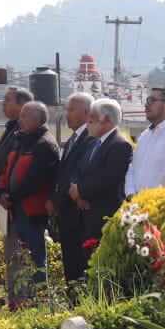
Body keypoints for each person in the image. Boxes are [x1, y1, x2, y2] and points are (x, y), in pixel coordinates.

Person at [0, 101, 59, 297]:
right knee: (19, 259)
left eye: (25, 116)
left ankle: (38, 300)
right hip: (16, 209)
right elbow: (8, 170)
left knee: (34, 258)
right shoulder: (21, 140)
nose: (20, 119)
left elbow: (36, 180)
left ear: (38, 120)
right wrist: (0, 193)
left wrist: (12, 196)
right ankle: (21, 300)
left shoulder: (44, 144)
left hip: (32, 211)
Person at [69, 98, 133, 256]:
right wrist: (76, 192)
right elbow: (78, 169)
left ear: (105, 120)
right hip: (86, 213)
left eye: (91, 119)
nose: (87, 123)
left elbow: (108, 179)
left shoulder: (119, 145)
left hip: (104, 215)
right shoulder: (93, 143)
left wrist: (81, 191)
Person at [50, 93, 97, 285]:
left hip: (78, 213)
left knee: (80, 268)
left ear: (86, 113)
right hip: (67, 214)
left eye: (70, 110)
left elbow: (77, 173)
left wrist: (58, 201)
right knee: (70, 266)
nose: (66, 114)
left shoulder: (91, 137)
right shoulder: (73, 139)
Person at [0, 86, 29, 304]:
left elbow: (16, 169)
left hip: (18, 204)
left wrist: (3, 193)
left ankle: (21, 301)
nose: (2, 104)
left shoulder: (23, 135)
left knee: (20, 258)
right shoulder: (10, 129)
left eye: (7, 100)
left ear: (22, 105)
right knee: (10, 256)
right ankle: (14, 299)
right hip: (3, 201)